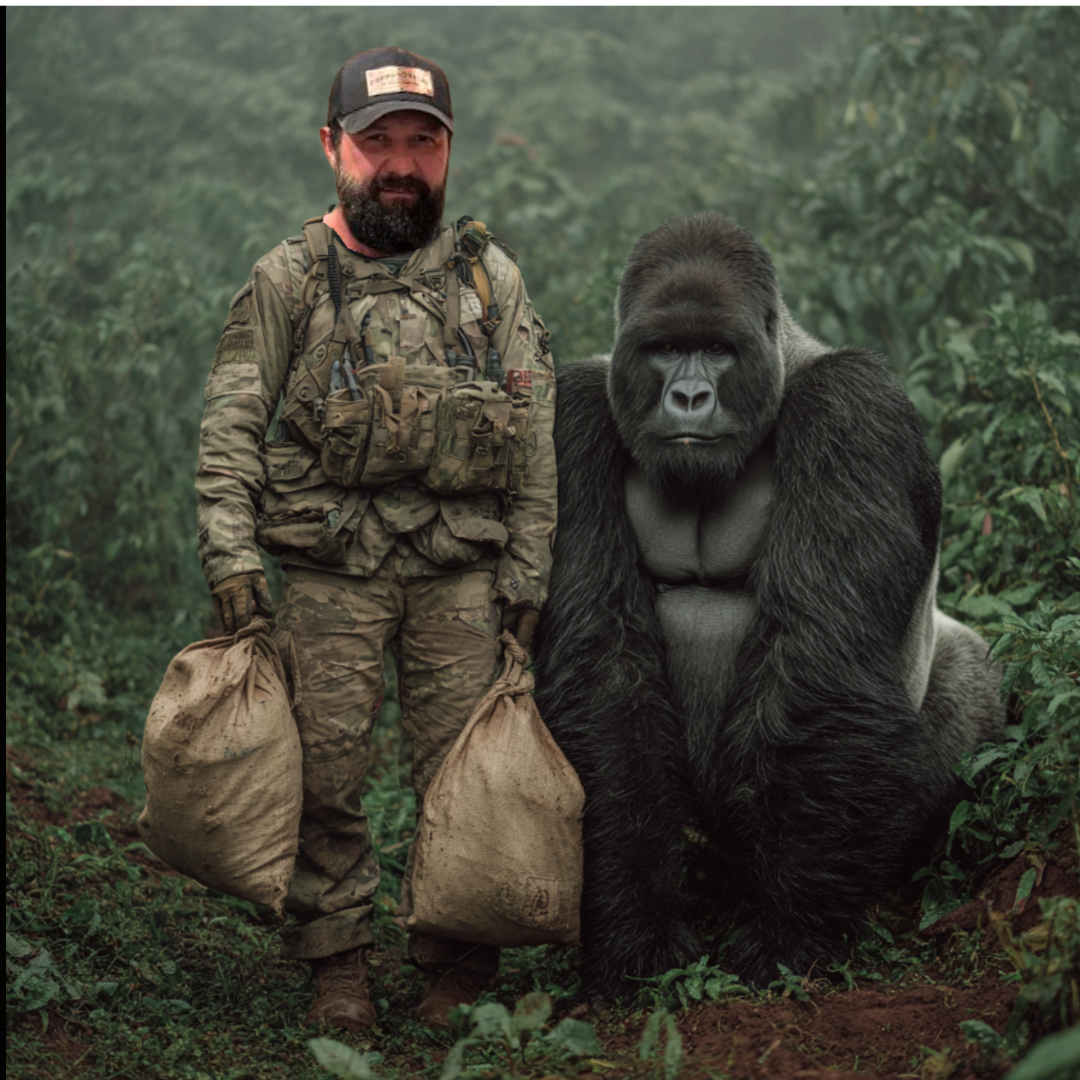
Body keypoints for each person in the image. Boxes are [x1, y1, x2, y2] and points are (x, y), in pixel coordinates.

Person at [194, 47, 557, 1032]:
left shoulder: (490, 280)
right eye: (377, 142)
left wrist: (529, 572)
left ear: (449, 152)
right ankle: (338, 962)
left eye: (422, 144)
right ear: (332, 147)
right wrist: (232, 557)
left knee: (466, 772)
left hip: (460, 571)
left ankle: (458, 965)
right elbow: (232, 426)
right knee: (325, 770)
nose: (401, 165)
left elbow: (535, 437)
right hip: (331, 569)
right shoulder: (289, 278)